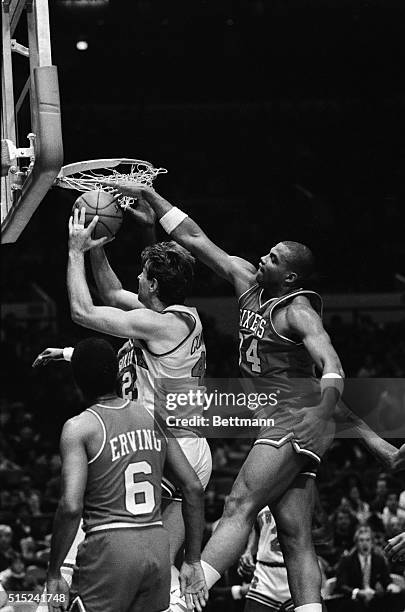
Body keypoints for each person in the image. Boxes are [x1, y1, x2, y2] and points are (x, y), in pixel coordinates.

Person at [99, 182, 346, 612]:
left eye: (271, 258)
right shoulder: (247, 281)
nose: (261, 257)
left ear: (288, 277)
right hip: (275, 415)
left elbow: (331, 363)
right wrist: (152, 197)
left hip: (296, 414)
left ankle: (187, 600)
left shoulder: (298, 310)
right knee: (293, 534)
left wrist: (325, 408)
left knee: (239, 504)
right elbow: (194, 237)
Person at [46, 337, 207, 612]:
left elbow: (71, 507)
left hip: (110, 548)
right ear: (118, 375)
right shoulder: (152, 417)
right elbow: (193, 487)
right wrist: (192, 559)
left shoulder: (79, 427)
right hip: (157, 546)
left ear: (77, 382)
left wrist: (53, 572)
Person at [335, 526, 401, 611]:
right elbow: (341, 585)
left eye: (368, 540)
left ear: (372, 542)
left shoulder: (379, 559)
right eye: (361, 540)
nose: (365, 543)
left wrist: (390, 586)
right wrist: (358, 592)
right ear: (356, 543)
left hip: (374, 599)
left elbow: (386, 580)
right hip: (354, 600)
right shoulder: (347, 560)